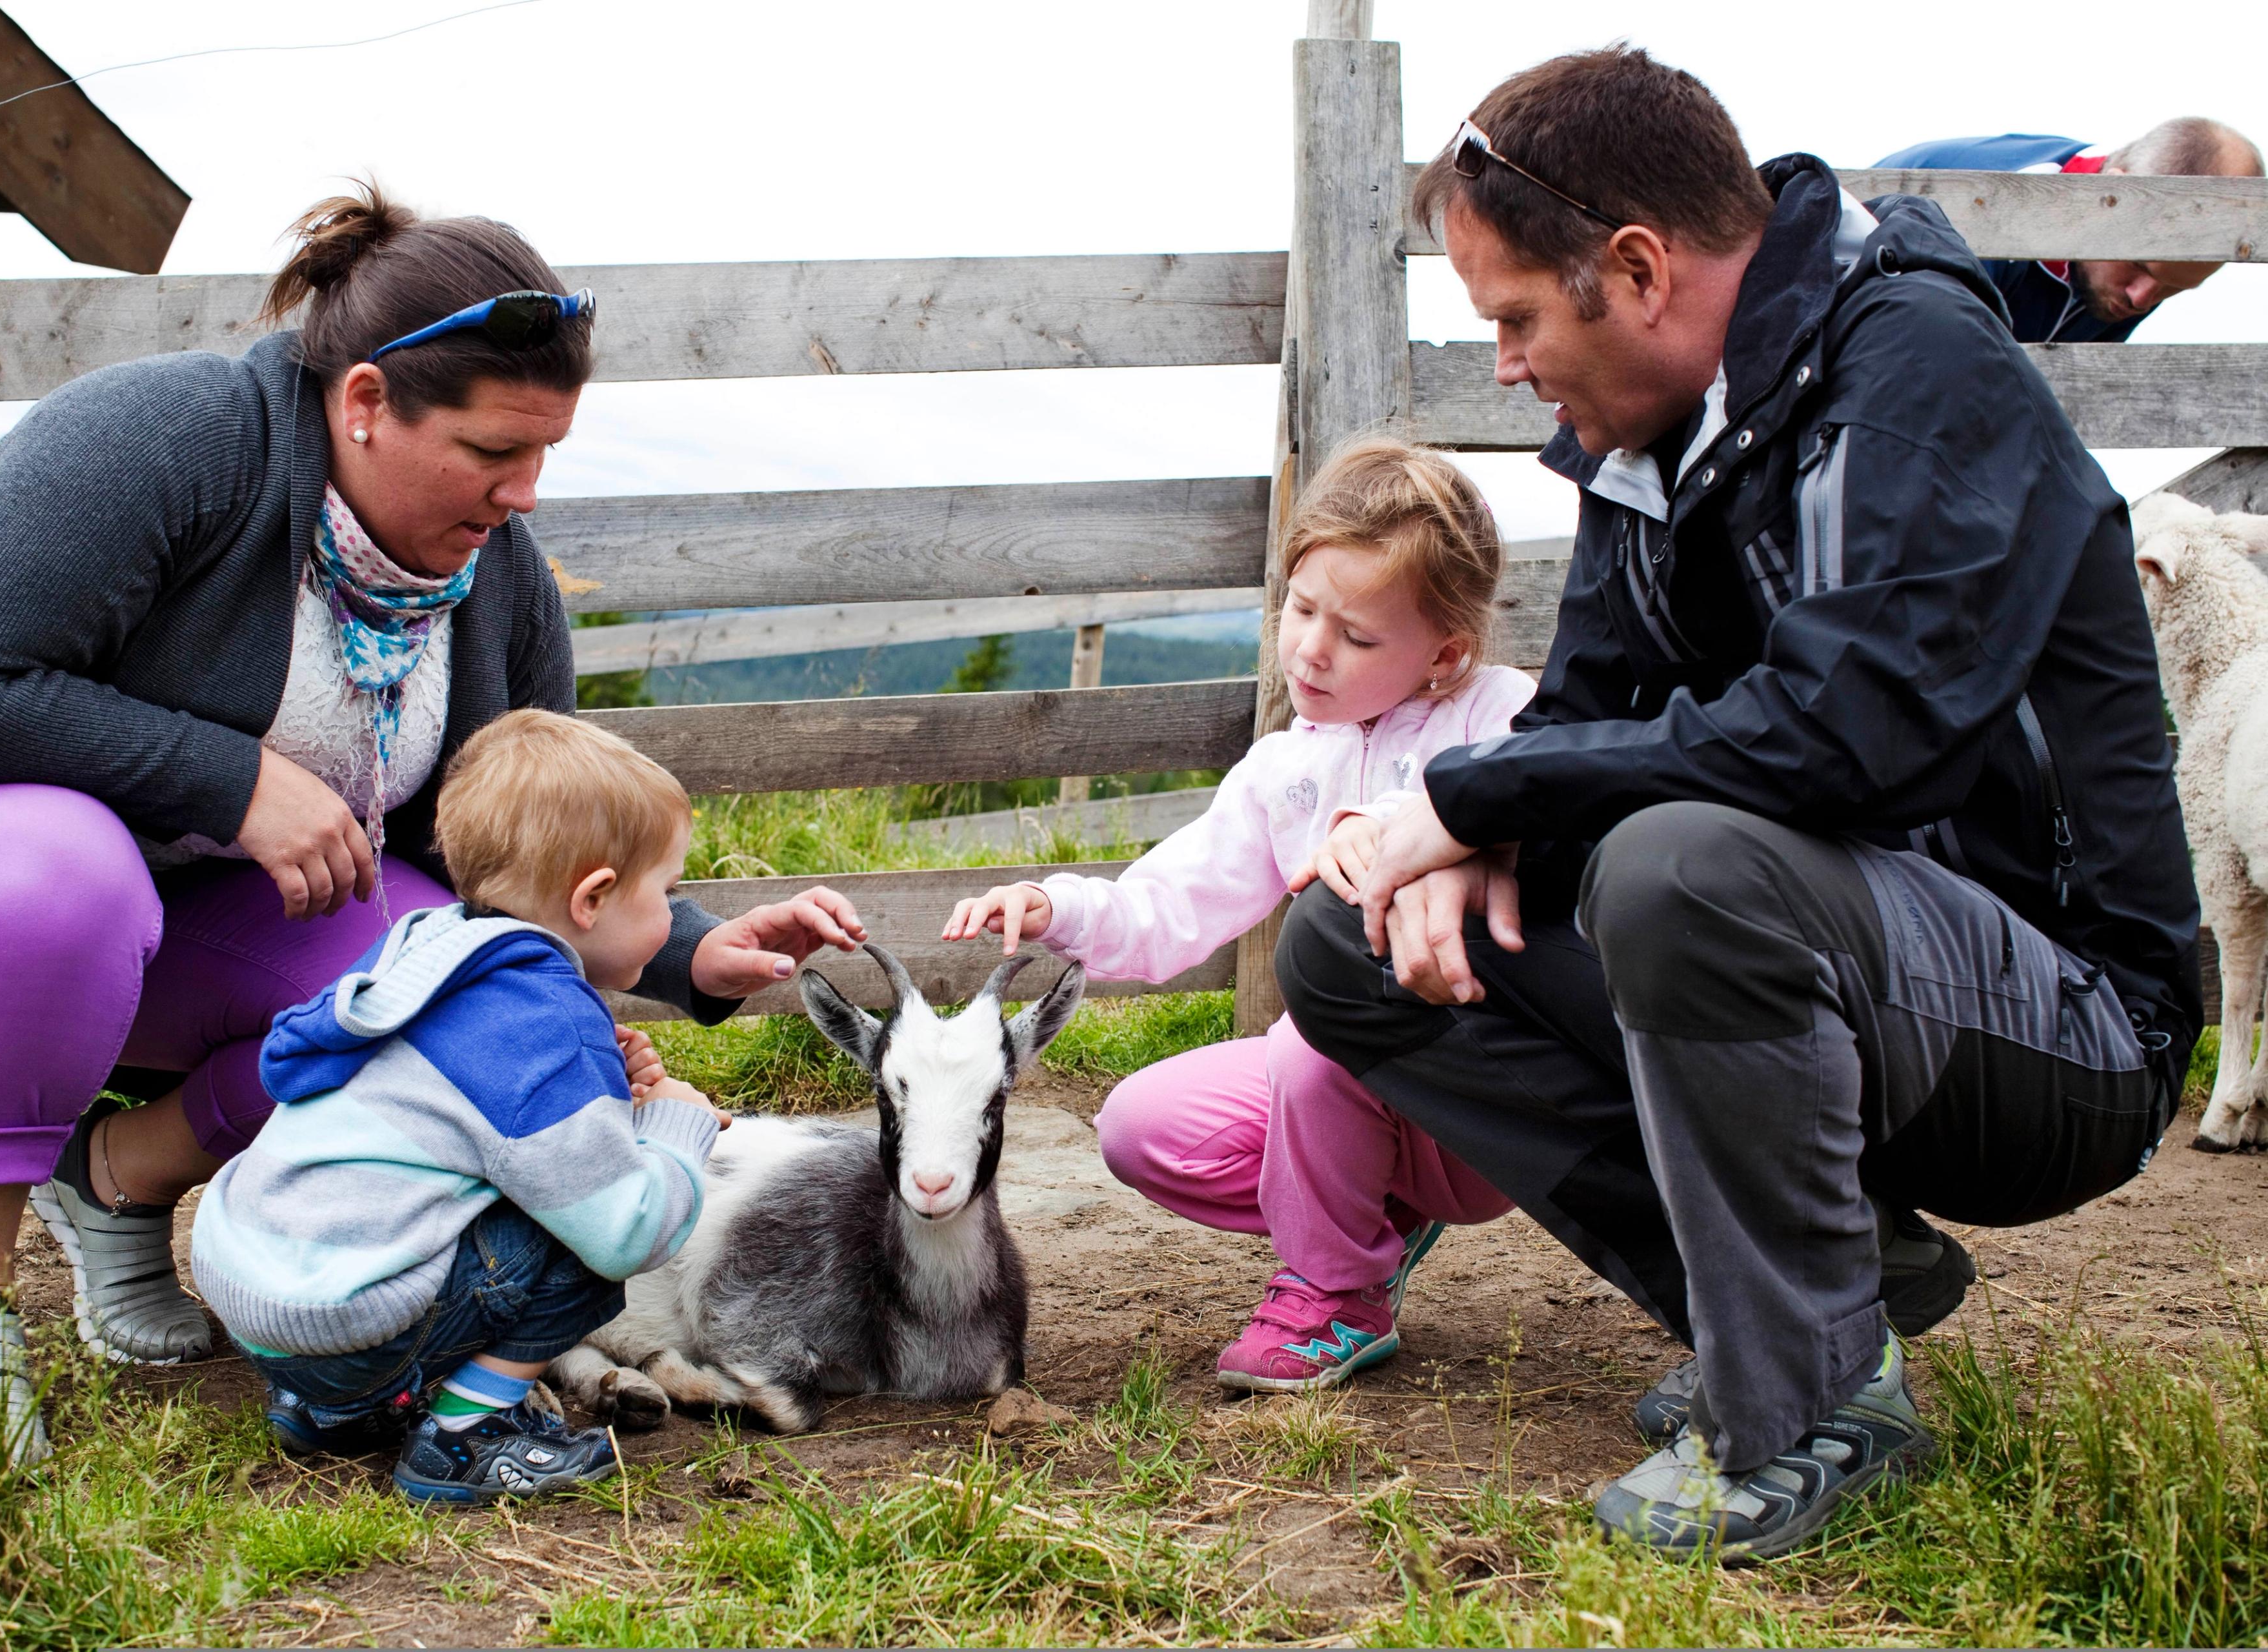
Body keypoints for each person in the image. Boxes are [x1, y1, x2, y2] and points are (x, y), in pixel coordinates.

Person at [1276, 48, 2200, 1559]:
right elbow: (1584, 709)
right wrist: (1460, 841)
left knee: (1683, 865)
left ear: (1633, 268)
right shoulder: (1650, 448)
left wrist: (1466, 792)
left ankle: (1808, 1406)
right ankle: (1815, 1287)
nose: (1506, 364)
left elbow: (1852, 740)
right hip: (1840, 986)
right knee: (1345, 940)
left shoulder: (1914, 373)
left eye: (1513, 315)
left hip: (2062, 1026)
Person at [0, 183, 863, 1464]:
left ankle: (119, 1178)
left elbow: (513, 846)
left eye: (544, 456)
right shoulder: (164, 439)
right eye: (488, 452)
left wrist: (685, 947)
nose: (522, 493)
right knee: (58, 880)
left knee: (455, 993)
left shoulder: (493, 580)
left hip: (217, 919)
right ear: (364, 402)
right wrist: (231, 778)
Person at [942, 437, 1529, 1393]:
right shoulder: (1282, 772)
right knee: (1138, 1128)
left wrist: (1398, 827)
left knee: (1315, 1038)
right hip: (1346, 1089)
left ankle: (1334, 1292)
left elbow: (1540, 794)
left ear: (1445, 654)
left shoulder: (1502, 713)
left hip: (1483, 1103)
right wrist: (1055, 907)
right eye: (1299, 610)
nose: (1310, 649)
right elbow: (1169, 909)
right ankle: (1371, 1234)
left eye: (1357, 636)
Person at [192, 710, 723, 1502]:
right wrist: (677, 1127)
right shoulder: (546, 1019)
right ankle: (464, 1439)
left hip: (260, 1292)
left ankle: (328, 1412)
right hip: (346, 1319)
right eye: (668, 894)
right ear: (595, 896)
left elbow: (458, 1109)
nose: (671, 919)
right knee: (578, 1227)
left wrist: (597, 1082)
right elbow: (626, 1232)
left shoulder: (433, 947)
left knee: (542, 1178)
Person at [1874, 120, 2263, 342]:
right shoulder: (1999, 204)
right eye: (2138, 264)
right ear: (2107, 192)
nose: (2142, 299)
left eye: (2176, 287)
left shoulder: (2139, 269)